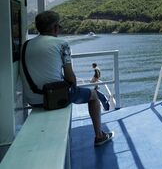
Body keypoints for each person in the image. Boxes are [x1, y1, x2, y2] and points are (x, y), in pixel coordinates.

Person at [21, 11, 113, 146]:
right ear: (55, 27)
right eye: (60, 26)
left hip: (32, 99)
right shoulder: (62, 44)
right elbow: (71, 79)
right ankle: (99, 136)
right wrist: (73, 87)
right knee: (93, 95)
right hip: (54, 99)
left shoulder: (26, 45)